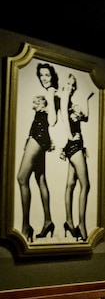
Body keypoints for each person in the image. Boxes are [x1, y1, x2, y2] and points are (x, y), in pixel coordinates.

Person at [15, 63, 59, 242]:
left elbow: (53, 120)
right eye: (41, 75)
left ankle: (26, 226)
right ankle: (48, 221)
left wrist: (49, 105)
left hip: (39, 137)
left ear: (52, 76)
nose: (44, 78)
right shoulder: (51, 92)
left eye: (47, 75)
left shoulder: (51, 92)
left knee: (21, 178)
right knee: (40, 179)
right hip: (39, 136)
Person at [59, 74, 93, 241]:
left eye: (73, 85)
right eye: (68, 83)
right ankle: (81, 225)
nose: (71, 87)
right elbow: (65, 119)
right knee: (85, 185)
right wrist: (71, 136)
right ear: (64, 84)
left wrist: (86, 99)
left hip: (74, 146)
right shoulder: (64, 96)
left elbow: (85, 117)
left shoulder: (71, 103)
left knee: (70, 184)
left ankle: (69, 222)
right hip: (74, 145)